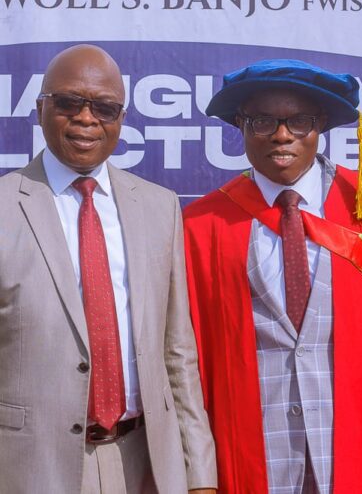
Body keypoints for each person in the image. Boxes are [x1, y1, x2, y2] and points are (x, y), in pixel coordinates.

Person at [183, 59, 362, 493]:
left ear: (321, 124)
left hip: (360, 449)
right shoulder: (201, 227)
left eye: (299, 121)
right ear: (239, 124)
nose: (281, 134)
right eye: (262, 121)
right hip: (253, 455)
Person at [0, 44, 217, 494]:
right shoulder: (5, 207)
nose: (86, 118)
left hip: (145, 462)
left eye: (104, 108)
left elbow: (178, 352)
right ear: (40, 109)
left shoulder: (159, 207)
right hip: (30, 469)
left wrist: (198, 473)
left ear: (121, 118)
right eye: (68, 102)